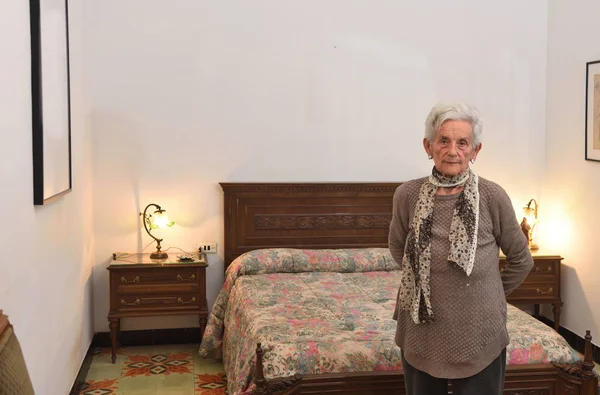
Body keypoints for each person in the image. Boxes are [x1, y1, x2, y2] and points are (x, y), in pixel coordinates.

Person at [388, 102, 533, 395]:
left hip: (481, 333)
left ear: (475, 151)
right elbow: (397, 248)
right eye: (444, 140)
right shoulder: (407, 194)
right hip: (421, 330)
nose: (453, 151)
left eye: (462, 142)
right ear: (428, 146)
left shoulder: (493, 196)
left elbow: (521, 259)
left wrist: (488, 293)